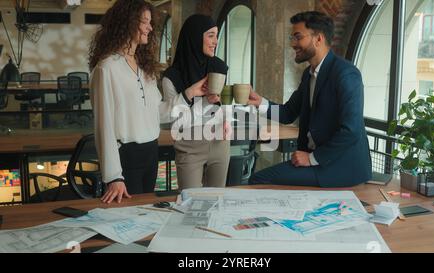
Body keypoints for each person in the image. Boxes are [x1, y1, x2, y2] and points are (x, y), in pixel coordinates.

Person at [247, 11, 372, 187]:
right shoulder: (309, 74)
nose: (292, 44)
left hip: (340, 167)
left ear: (318, 39)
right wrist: (259, 102)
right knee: (261, 179)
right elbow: (288, 113)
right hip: (317, 161)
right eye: (292, 37)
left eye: (298, 37)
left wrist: (312, 158)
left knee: (258, 179)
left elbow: (350, 131)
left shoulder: (346, 74)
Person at [89, 0, 196, 203]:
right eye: (144, 21)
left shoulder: (143, 68)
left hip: (150, 154)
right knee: (129, 218)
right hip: (126, 159)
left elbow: (158, 113)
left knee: (145, 213)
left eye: (150, 22)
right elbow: (104, 126)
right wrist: (114, 176)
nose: (150, 27)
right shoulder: (106, 68)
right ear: (127, 23)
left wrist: (189, 94)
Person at [162, 14, 231, 190]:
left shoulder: (219, 67)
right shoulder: (172, 77)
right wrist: (199, 99)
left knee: (217, 201)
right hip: (189, 147)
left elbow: (224, 103)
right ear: (194, 37)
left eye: (216, 35)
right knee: (190, 204)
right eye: (210, 35)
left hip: (219, 143)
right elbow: (176, 122)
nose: (216, 41)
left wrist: (227, 119)